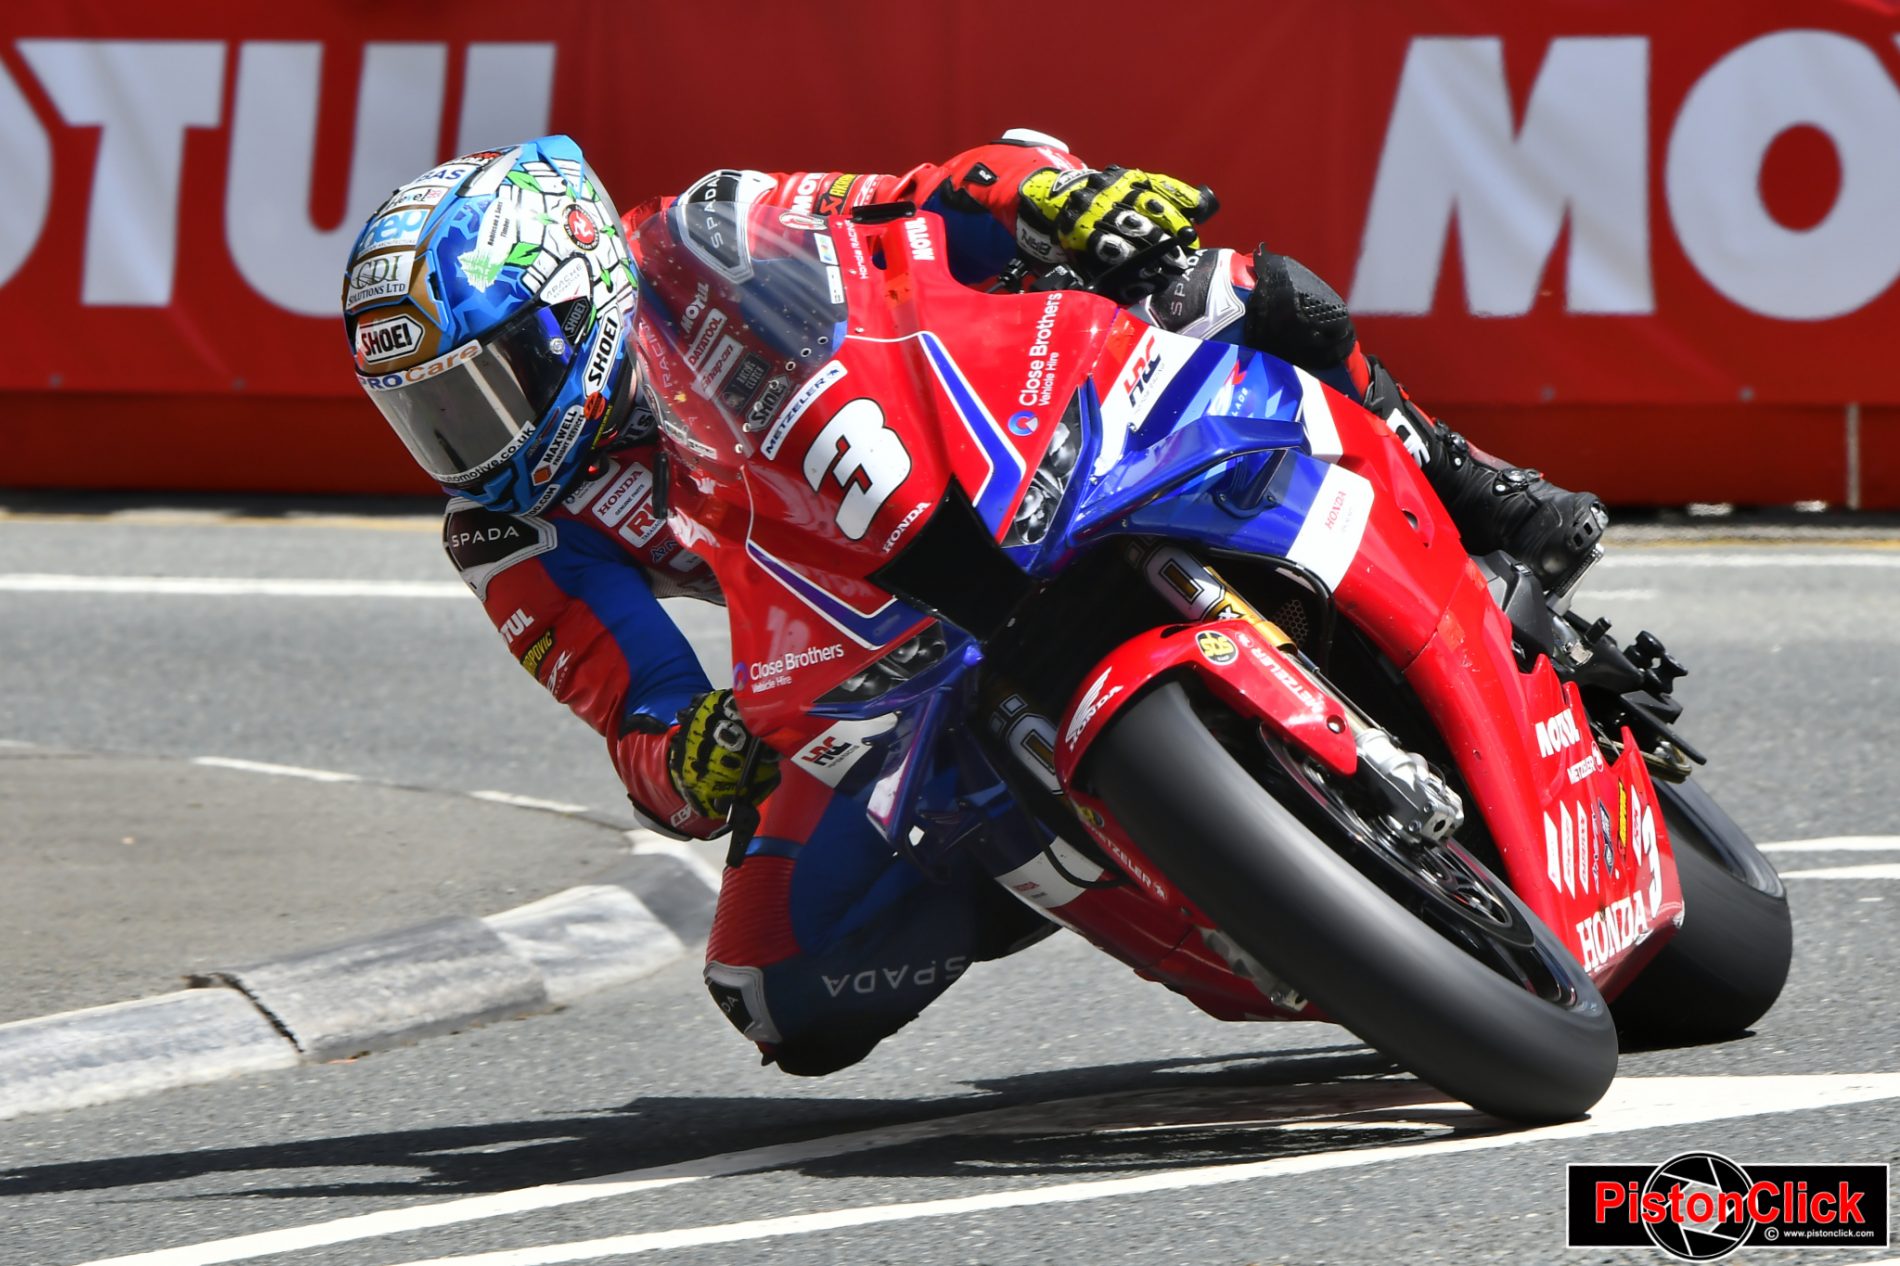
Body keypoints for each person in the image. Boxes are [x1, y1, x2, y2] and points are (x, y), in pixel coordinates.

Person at [342, 132, 1607, 1074]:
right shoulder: (511, 529)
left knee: (1239, 288)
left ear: (574, 306)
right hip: (848, 631)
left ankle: (1469, 480)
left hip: (987, 423)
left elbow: (925, 195)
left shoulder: (705, 230)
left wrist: (1060, 197)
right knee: (781, 991)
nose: (464, 444)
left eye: (485, 390)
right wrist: (697, 756)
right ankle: (1095, 842)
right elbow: (638, 724)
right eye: (427, 419)